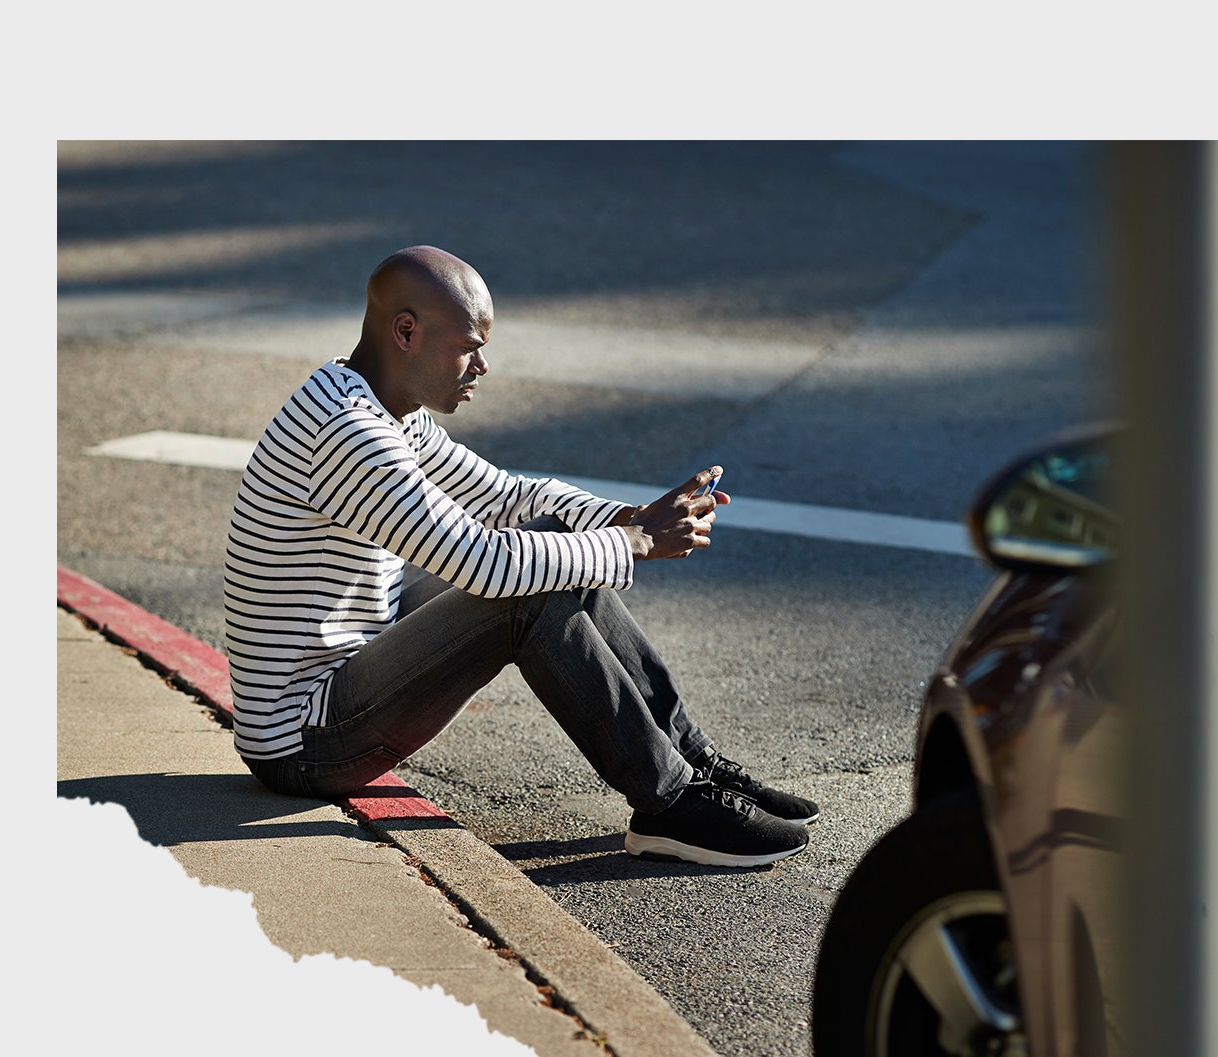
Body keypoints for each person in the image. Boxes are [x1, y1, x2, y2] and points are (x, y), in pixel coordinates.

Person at [224, 245, 817, 866]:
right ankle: (669, 804)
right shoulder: (349, 433)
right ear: (407, 331)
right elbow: (485, 563)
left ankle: (693, 762)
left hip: (348, 666)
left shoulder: (379, 406)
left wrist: (629, 520)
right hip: (305, 740)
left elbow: (507, 497)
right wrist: (636, 544)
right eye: (468, 347)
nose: (481, 365)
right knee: (525, 592)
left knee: (557, 546)